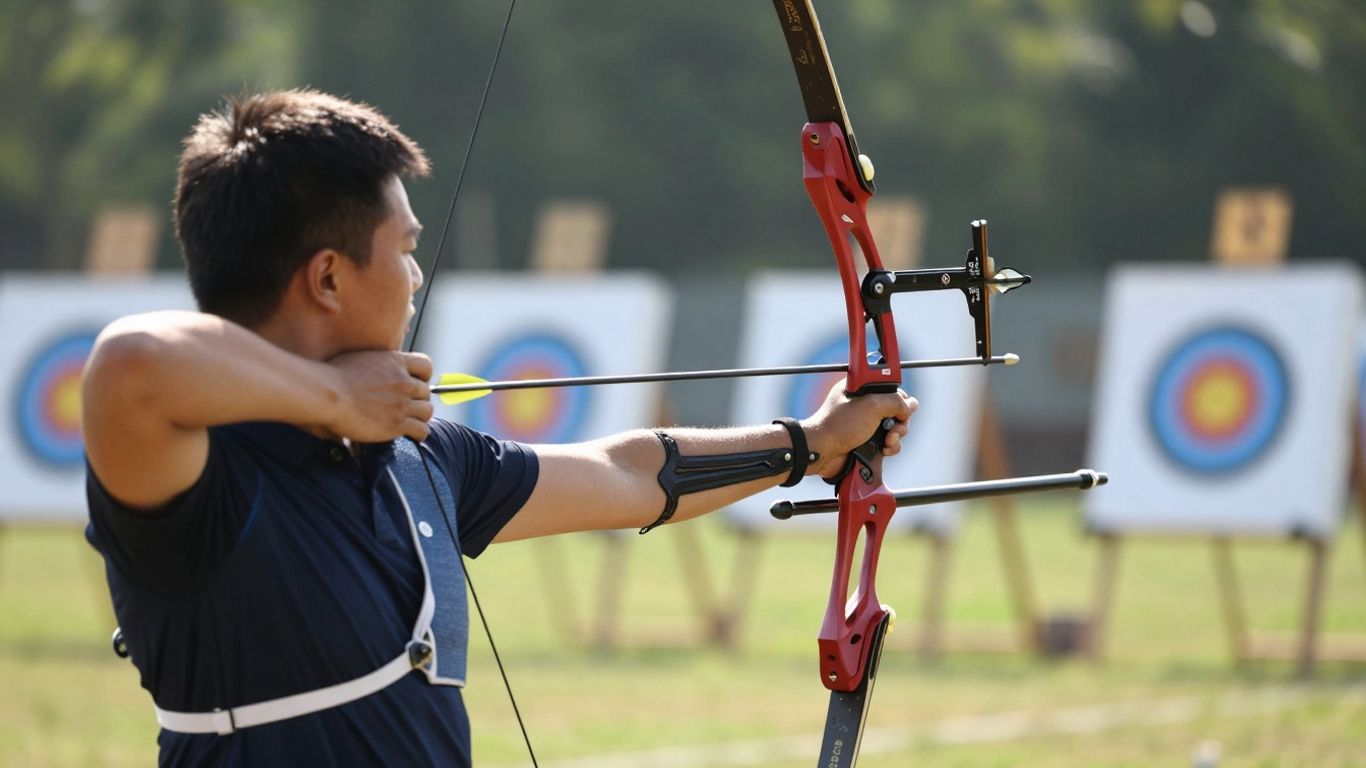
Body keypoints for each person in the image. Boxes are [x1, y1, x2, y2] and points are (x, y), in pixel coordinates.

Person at [81, 89, 915, 767]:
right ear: (328, 277)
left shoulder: (415, 458)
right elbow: (132, 361)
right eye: (403, 249)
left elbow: (630, 475)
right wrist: (336, 399)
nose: (415, 277)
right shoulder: (198, 476)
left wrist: (812, 444)